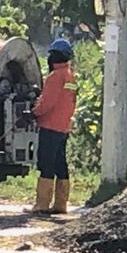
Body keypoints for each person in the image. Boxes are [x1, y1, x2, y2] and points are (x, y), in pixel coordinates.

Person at [33, 38, 77, 215]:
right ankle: (60, 204)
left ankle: (42, 204)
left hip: (50, 126)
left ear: (55, 56)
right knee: (60, 164)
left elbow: (47, 103)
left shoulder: (54, 77)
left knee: (46, 164)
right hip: (64, 127)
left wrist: (33, 113)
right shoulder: (70, 76)